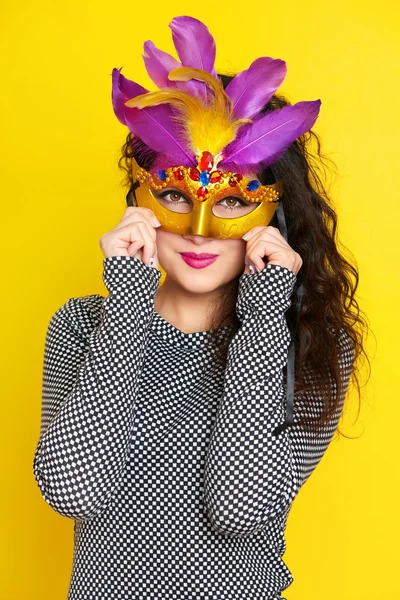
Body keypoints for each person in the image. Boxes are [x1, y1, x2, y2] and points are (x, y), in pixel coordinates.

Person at [33, 15, 368, 600]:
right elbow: (71, 490)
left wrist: (267, 316)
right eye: (172, 196)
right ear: (138, 203)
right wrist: (128, 302)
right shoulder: (82, 325)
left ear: (277, 218)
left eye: (235, 203)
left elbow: (242, 505)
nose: (200, 232)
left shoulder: (314, 347)